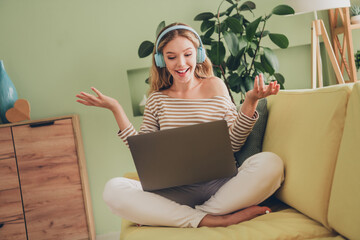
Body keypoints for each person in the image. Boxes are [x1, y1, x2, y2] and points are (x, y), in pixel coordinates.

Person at [76, 23, 284, 228]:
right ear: (161, 60)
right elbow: (144, 154)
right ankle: (217, 218)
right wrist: (116, 109)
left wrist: (250, 101)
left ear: (199, 55)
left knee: (271, 163)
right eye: (171, 57)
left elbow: (234, 144)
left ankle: (189, 216)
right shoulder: (157, 99)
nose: (181, 63)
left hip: (222, 185)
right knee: (113, 189)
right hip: (175, 191)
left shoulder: (215, 86)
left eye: (187, 54)